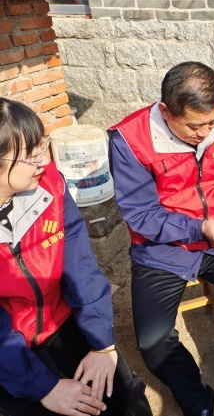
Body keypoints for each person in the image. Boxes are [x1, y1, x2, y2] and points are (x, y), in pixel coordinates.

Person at [108, 61, 214, 416]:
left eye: (212, 121)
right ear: (165, 111)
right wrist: (200, 228)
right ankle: (197, 400)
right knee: (153, 341)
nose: (206, 132)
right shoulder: (130, 140)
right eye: (195, 126)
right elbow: (141, 215)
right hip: (161, 249)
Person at [0, 98, 152, 416]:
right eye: (31, 155)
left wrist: (102, 342)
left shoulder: (50, 186)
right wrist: (44, 387)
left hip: (64, 319)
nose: (44, 162)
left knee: (126, 399)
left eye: (42, 148)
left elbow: (80, 264)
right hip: (9, 349)